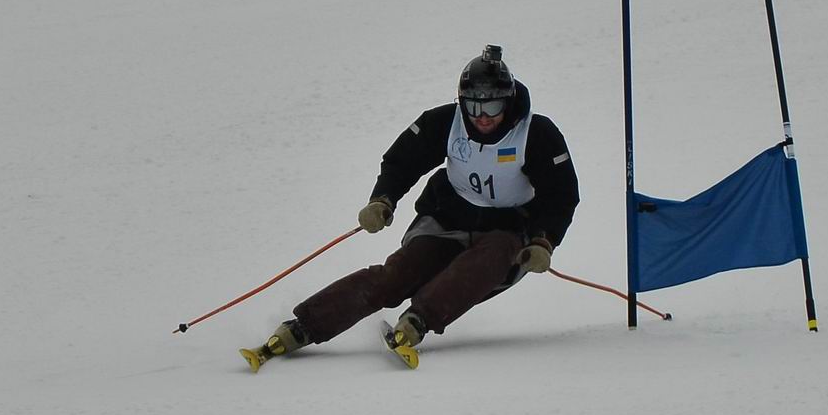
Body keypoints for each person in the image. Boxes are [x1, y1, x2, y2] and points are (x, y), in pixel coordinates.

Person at [244, 45, 580, 369]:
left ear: (507, 100)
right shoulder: (445, 122)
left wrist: (544, 240)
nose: (482, 117)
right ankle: (301, 327)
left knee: (487, 258)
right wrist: (382, 199)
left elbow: (561, 194)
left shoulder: (536, 134)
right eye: (473, 106)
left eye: (491, 107)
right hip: (447, 219)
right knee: (398, 274)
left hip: (508, 231)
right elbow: (402, 161)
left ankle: (416, 322)